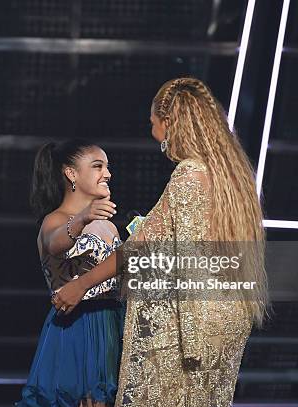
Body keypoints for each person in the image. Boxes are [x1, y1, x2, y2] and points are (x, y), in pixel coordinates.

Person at [53, 78, 268, 407]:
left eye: (152, 122)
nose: (152, 131)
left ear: (169, 123)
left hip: (188, 328)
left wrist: (80, 285)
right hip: (228, 321)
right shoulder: (233, 177)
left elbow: (140, 248)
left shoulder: (189, 174)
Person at [17, 140, 123, 407]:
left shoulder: (109, 226)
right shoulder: (56, 219)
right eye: (98, 166)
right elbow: (55, 244)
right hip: (77, 328)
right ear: (71, 173)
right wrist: (81, 218)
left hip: (112, 324)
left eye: (107, 167)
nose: (107, 174)